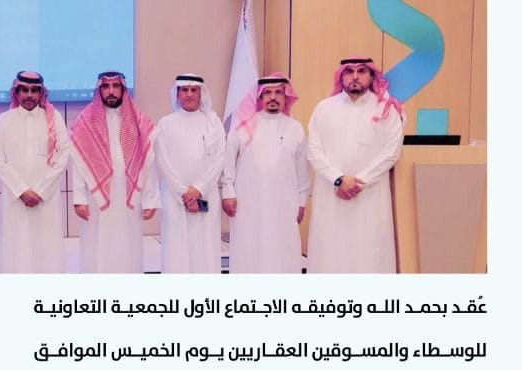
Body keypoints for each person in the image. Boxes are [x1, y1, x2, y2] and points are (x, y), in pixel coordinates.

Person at [306, 57, 404, 273]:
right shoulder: (324, 109)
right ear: (342, 76)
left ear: (372, 76)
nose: (355, 76)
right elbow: (313, 150)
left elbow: (392, 152)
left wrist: (359, 181)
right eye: (349, 71)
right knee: (330, 253)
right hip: (332, 195)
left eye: (361, 71)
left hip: (369, 197)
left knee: (369, 253)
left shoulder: (386, 109)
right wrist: (338, 179)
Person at [70, 71, 158, 273]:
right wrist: (79, 199)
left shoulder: (138, 121)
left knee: (128, 244)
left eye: (116, 86)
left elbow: (147, 161)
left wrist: (150, 199)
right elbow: (78, 163)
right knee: (96, 244)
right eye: (106, 87)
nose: (111, 91)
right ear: (99, 90)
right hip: (96, 199)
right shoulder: (85, 121)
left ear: (123, 89)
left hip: (128, 196)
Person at [221, 74, 311, 273]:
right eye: (267, 93)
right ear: (259, 98)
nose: (273, 97)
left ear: (285, 97)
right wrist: (228, 193)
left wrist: (301, 202)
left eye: (278, 92)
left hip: (285, 202)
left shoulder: (295, 128)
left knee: (283, 247)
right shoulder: (243, 126)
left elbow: (302, 171)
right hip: (248, 202)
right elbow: (228, 163)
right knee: (249, 246)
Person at [0, 71, 70, 273]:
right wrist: (21, 191)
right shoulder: (4, 120)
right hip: (14, 199)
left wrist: (41, 191)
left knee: (47, 250)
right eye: (24, 90)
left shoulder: (54, 118)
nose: (29, 95)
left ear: (41, 93)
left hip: (46, 199)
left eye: (34, 90)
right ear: (16, 92)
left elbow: (63, 155)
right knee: (15, 250)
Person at [154, 73, 226, 273]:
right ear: (177, 94)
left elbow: (219, 158)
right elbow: (163, 161)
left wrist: (199, 189)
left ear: (201, 93)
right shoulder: (165, 123)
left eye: (194, 90)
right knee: (176, 249)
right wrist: (184, 193)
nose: (189, 94)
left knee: (205, 249)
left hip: (206, 195)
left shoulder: (213, 123)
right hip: (174, 197)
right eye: (184, 90)